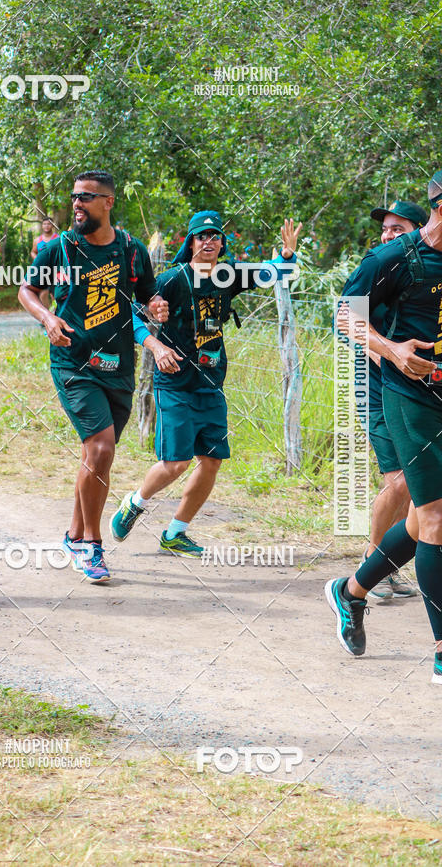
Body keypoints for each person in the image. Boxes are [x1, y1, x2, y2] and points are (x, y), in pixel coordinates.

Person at [110, 210, 301, 555]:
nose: (209, 242)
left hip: (211, 383)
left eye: (215, 236)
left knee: (211, 461)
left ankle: (175, 533)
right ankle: (135, 502)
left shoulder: (229, 275)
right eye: (202, 236)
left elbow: (278, 272)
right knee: (176, 463)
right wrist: (156, 343)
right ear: (191, 241)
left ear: (222, 243)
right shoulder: (172, 280)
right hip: (174, 382)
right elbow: (131, 315)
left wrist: (287, 255)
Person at [18, 170, 168, 583]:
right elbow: (27, 291)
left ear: (108, 202)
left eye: (86, 198)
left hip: (117, 365)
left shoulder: (132, 251)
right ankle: (91, 545)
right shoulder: (59, 249)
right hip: (73, 363)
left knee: (96, 455)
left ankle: (72, 534)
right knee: (100, 447)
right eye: (74, 198)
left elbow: (146, 296)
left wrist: (156, 306)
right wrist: (47, 317)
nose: (77, 205)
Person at [325, 170, 442, 684]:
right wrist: (392, 349)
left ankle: (351, 591)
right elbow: (346, 316)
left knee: (422, 522)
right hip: (409, 397)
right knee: (436, 516)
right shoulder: (395, 258)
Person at [356, 201, 427, 602]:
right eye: (386, 229)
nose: (387, 235)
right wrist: (391, 355)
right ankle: (371, 563)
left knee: (417, 486)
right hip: (378, 386)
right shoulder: (380, 266)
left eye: (397, 229)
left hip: (415, 390)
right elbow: (352, 321)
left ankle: (386, 564)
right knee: (399, 481)